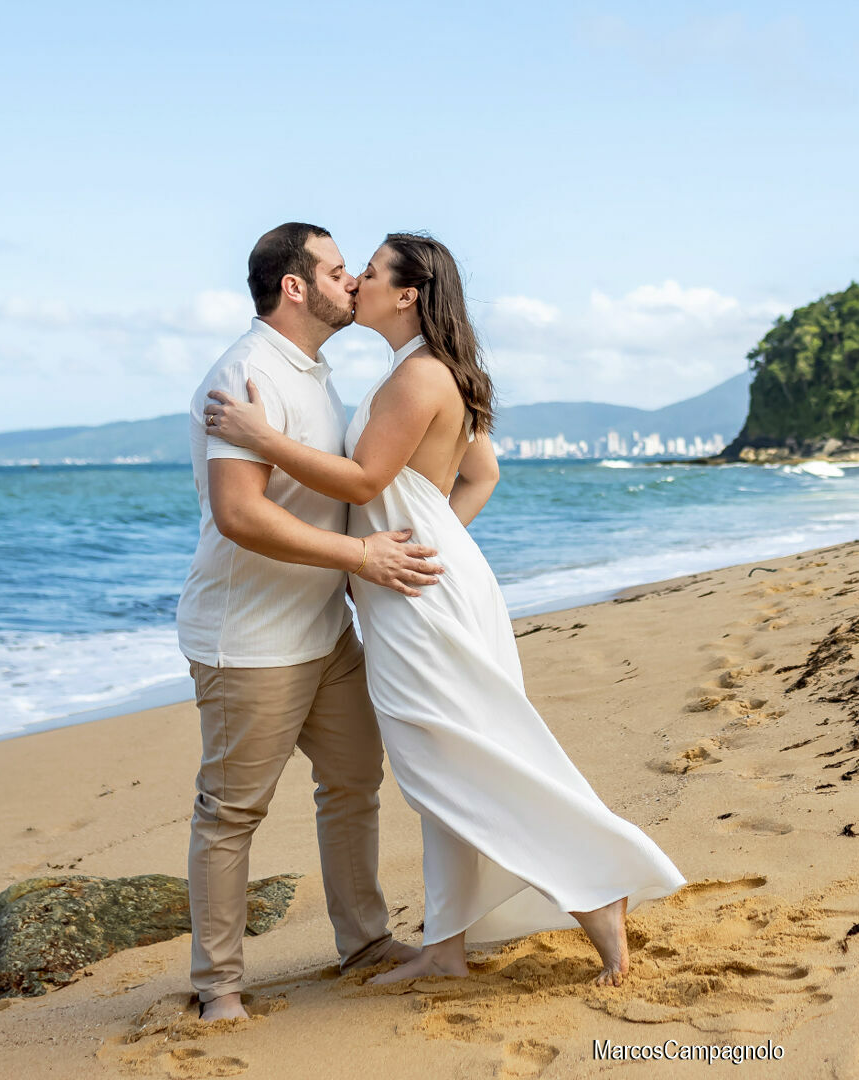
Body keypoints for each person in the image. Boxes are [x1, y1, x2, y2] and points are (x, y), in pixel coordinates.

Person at [205, 231, 686, 987]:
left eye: (368, 272)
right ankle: (447, 947)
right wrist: (436, 539)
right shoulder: (429, 369)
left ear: (406, 295)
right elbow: (481, 475)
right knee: (460, 753)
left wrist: (260, 437)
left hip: (415, 593)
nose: (355, 280)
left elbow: (364, 484)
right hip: (428, 577)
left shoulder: (417, 377)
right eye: (347, 270)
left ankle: (596, 887)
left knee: (451, 762)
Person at [178, 223, 444, 1020]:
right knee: (230, 815)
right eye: (336, 270)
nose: (350, 282)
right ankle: (217, 985)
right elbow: (238, 516)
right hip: (249, 639)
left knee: (354, 782)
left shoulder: (314, 371)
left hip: (325, 628)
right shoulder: (244, 374)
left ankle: (363, 942)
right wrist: (360, 561)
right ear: (294, 287)